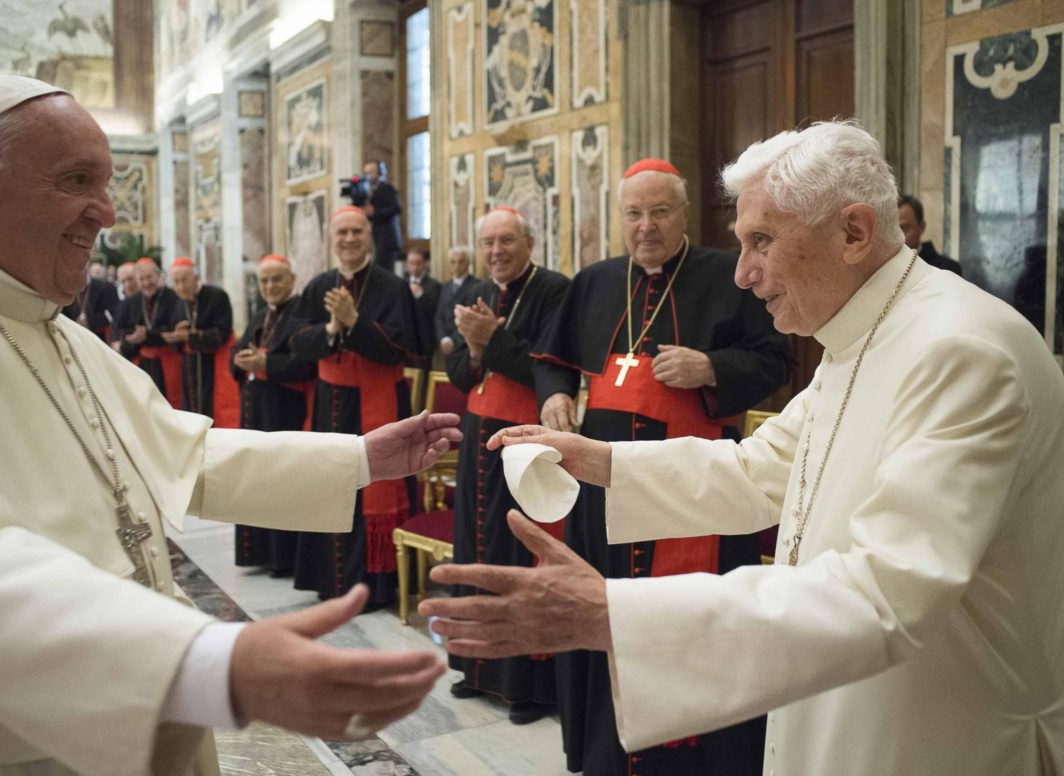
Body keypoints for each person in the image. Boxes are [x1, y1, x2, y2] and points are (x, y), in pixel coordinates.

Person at [421, 121, 1064, 776]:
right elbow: (759, 469)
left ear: (853, 232)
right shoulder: (861, 335)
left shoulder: (959, 350)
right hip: (852, 700)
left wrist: (614, 613)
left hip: (939, 733)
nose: (744, 273)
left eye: (762, 241)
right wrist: (596, 460)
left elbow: (884, 593)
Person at [0, 74, 461, 776]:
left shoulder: (57, 330)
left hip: (148, 716)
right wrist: (214, 664)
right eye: (76, 180)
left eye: (108, 182)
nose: (106, 212)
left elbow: (182, 451)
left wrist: (358, 459)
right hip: (26, 747)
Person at [532, 159, 790, 774]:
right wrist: (556, 393)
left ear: (684, 213)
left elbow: (776, 359)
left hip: (695, 492)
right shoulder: (594, 282)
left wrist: (712, 368)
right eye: (633, 213)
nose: (646, 226)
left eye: (660, 211)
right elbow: (550, 357)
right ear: (620, 217)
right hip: (605, 494)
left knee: (690, 623)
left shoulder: (726, 278)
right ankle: (606, 752)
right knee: (610, 617)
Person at [445, 206, 570, 724]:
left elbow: (545, 366)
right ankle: (475, 668)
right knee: (476, 548)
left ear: (529, 242)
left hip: (524, 440)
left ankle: (527, 687)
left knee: (518, 555)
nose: (496, 252)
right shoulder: (471, 290)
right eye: (488, 243)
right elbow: (454, 372)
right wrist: (473, 352)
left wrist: (488, 343)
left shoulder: (554, 291)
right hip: (478, 436)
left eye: (507, 241)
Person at [290, 205, 423, 609]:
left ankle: (378, 585)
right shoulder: (317, 287)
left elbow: (408, 347)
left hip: (380, 401)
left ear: (369, 237)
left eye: (357, 233)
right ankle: (330, 580)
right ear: (332, 239)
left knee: (375, 481)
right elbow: (296, 344)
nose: (349, 240)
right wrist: (332, 328)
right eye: (342, 233)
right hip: (331, 403)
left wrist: (356, 323)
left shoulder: (392, 287)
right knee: (330, 481)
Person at [229, 254, 316, 575]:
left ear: (292, 281)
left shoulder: (302, 313)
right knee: (258, 479)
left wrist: (267, 365)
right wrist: (240, 361)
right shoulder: (260, 314)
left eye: (277, 279)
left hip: (285, 412)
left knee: (282, 481)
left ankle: (283, 558)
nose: (270, 286)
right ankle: (260, 552)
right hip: (255, 412)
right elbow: (236, 349)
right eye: (264, 281)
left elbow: (307, 362)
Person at [164, 256, 237, 427]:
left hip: (212, 366)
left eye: (185, 280)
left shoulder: (217, 296)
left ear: (196, 278)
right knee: (190, 412)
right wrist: (178, 335)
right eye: (176, 282)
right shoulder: (178, 302)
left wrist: (191, 336)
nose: (181, 286)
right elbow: (175, 336)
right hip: (188, 368)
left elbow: (223, 332)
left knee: (212, 412)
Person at [113, 257, 184, 406]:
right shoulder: (132, 302)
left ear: (158, 276)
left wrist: (148, 335)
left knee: (171, 405)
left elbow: (175, 329)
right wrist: (130, 340)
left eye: (149, 277)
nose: (146, 283)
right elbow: (122, 331)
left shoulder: (174, 297)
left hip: (169, 363)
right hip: (142, 364)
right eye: (141, 279)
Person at [898, 194, 962, 275]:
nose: (898, 235)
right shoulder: (885, 267)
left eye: (904, 228)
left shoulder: (946, 269)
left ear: (921, 227)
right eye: (892, 229)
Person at [435, 246, 482, 357]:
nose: (457, 266)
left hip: (466, 345)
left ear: (468, 263)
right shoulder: (445, 286)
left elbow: (472, 317)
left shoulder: (477, 286)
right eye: (453, 262)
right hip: (446, 345)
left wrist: (453, 341)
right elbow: (439, 315)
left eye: (461, 262)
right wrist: (443, 338)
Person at [363, 160, 403, 273]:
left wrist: (374, 212)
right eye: (366, 173)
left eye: (372, 172)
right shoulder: (370, 191)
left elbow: (396, 208)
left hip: (388, 239)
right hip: (377, 238)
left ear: (380, 173)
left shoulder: (387, 187)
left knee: (385, 271)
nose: (369, 176)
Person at [404, 247, 440, 369]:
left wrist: (421, 296)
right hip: (405, 340)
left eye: (418, 263)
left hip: (425, 340)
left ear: (424, 264)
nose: (415, 267)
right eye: (411, 263)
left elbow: (435, 312)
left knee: (424, 377)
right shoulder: (400, 284)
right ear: (407, 265)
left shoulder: (434, 285)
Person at [62, 267, 120, 342]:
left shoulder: (106, 287)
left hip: (99, 338)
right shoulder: (66, 289)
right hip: (73, 337)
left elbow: (114, 313)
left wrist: (89, 321)